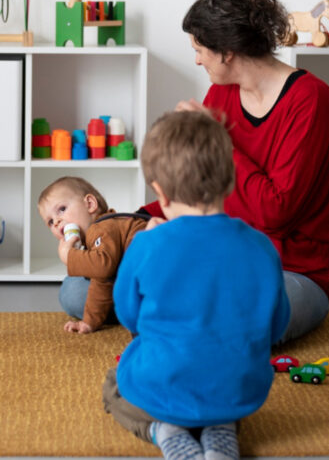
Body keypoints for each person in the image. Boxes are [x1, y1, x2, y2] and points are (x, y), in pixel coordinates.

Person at [142, 0, 329, 343]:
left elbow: (274, 211)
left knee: (234, 324)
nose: (197, 59)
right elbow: (200, 185)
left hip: (290, 269)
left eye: (200, 50)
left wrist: (219, 137)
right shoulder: (222, 92)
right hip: (218, 252)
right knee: (80, 290)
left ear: (227, 52)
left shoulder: (312, 99)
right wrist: (139, 217)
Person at [106, 110, 289, 460]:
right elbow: (277, 324)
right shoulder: (261, 246)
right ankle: (221, 429)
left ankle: (164, 430)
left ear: (159, 191)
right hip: (237, 391)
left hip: (164, 385)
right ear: (231, 181)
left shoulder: (147, 245)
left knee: (114, 385)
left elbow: (129, 317)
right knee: (220, 389)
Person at [37, 176, 149, 334]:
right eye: (50, 221)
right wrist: (90, 323)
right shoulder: (98, 237)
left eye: (62, 209)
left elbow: (102, 267)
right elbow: (102, 279)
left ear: (90, 204)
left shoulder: (102, 228)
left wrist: (70, 257)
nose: (56, 222)